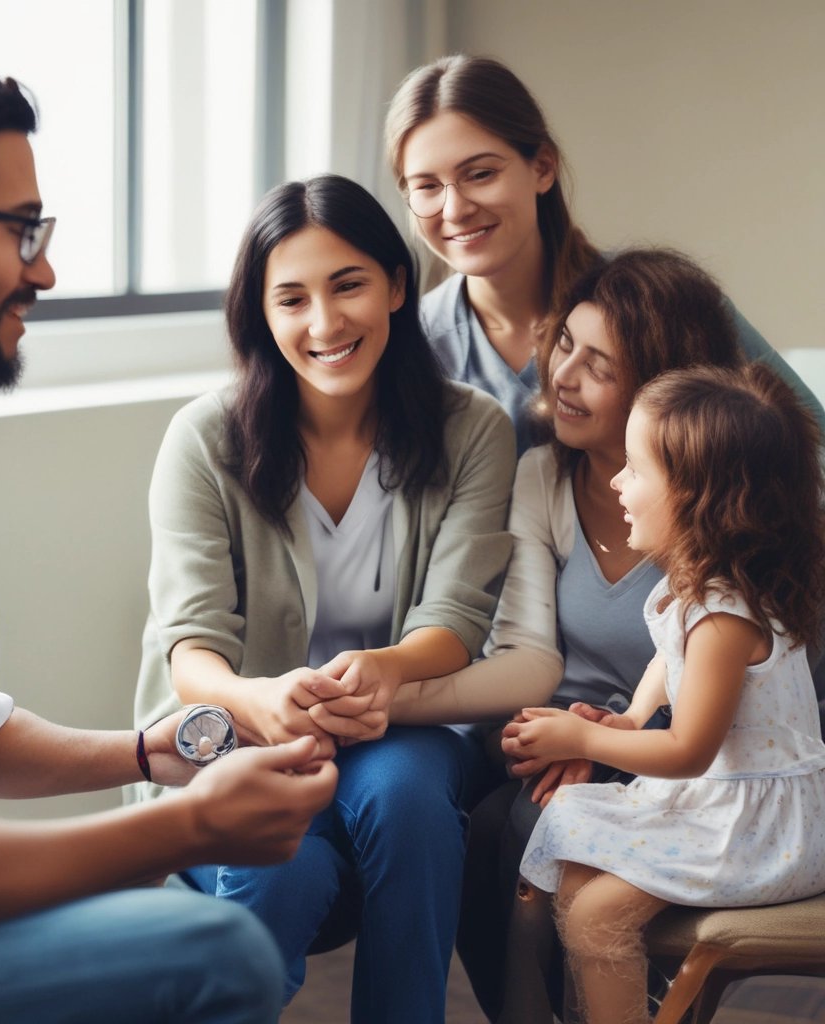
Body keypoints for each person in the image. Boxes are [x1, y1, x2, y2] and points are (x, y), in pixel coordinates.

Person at [0, 46, 338, 1024]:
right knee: (216, 952)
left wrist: (144, 752)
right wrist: (193, 825)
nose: (44, 268)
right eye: (21, 230)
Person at [129, 173, 516, 1023]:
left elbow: (456, 617)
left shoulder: (473, 429)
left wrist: (388, 669)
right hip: (241, 737)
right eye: (292, 299)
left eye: (348, 286)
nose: (325, 323)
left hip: (402, 726)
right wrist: (261, 701)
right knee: (286, 872)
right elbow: (191, 647)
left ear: (397, 286)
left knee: (408, 796)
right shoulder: (204, 438)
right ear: (261, 316)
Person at [382, 248, 743, 1022]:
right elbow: (529, 655)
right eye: (565, 345)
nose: (563, 376)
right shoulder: (542, 477)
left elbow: (737, 704)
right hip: (562, 732)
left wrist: (602, 747)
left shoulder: (719, 515)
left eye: (599, 365)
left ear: (662, 387)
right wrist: (565, 738)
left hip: (693, 755)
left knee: (534, 825)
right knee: (485, 826)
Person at [506, 362, 825, 1024]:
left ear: (699, 498)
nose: (616, 482)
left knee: (594, 916)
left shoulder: (724, 617)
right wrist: (631, 715)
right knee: (576, 870)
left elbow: (688, 750)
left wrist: (583, 736)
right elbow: (668, 658)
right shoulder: (703, 592)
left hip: (760, 831)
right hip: (725, 804)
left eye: (635, 468)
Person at [383, 53, 825, 454]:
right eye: (427, 186)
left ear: (543, 168)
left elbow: (811, 439)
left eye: (480, 174)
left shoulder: (663, 301)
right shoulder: (407, 346)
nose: (455, 209)